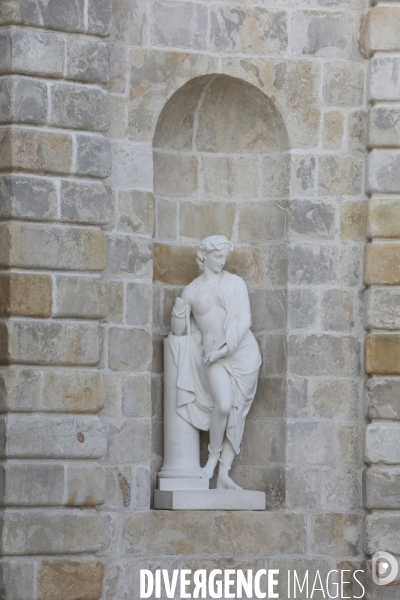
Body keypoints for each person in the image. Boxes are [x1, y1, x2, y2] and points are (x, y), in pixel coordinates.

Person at [170, 235, 262, 490]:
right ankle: (211, 459)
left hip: (242, 353)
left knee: (237, 413)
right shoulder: (191, 291)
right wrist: (178, 311)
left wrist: (224, 350)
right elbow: (178, 332)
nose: (222, 262)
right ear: (205, 256)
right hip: (213, 356)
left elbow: (244, 320)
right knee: (223, 406)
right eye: (217, 256)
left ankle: (224, 473)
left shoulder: (235, 284)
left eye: (224, 257)